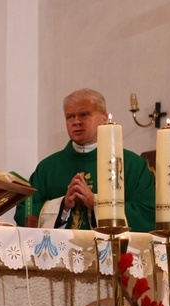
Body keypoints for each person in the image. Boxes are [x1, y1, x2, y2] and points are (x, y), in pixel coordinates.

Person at [14, 88, 155, 232]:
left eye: (84, 114)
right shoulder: (48, 168)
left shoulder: (132, 165)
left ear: (104, 118)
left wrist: (95, 203)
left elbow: (147, 214)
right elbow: (24, 212)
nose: (76, 122)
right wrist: (63, 205)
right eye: (70, 117)